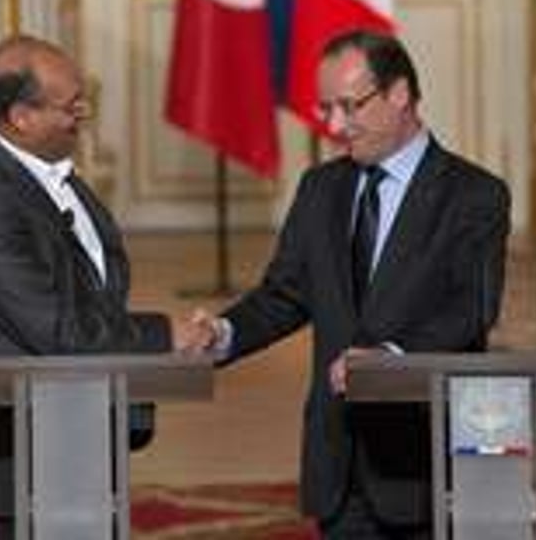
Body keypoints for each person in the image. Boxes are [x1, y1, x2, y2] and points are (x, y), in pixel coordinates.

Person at [188, 30, 511, 538]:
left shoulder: (474, 195)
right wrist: (223, 333)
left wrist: (388, 356)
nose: (336, 126)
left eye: (350, 106)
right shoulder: (321, 188)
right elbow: (285, 294)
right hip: (336, 458)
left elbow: (470, 309)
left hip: (418, 461)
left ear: (399, 93)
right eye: (326, 109)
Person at [0, 34, 202, 540]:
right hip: (22, 461)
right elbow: (58, 332)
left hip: (76, 447)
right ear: (21, 117)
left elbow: (92, 286)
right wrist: (165, 335)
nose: (85, 110)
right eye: (71, 103)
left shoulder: (46, 171)